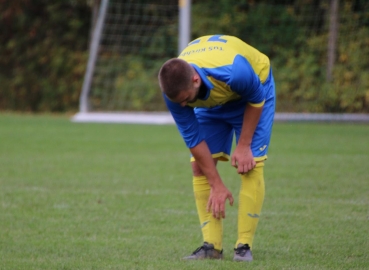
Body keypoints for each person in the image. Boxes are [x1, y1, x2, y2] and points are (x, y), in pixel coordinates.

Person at [158, 35, 275, 262]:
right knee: (199, 168)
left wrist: (243, 146)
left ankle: (243, 247)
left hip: (254, 91)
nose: (183, 106)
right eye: (179, 102)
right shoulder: (174, 94)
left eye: (186, 100)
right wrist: (216, 184)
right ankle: (212, 248)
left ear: (195, 80)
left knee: (249, 164)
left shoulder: (233, 70)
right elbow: (193, 139)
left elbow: (256, 98)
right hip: (213, 101)